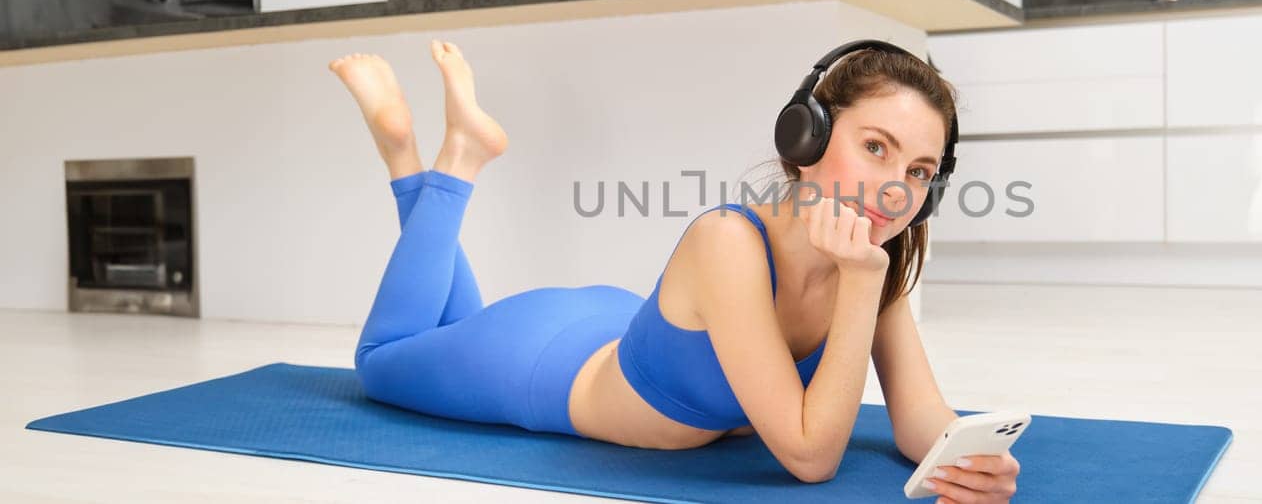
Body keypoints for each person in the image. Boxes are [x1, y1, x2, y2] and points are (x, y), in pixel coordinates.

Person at [328, 39, 1019, 502]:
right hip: (543, 363)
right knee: (383, 360)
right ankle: (438, 158)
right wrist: (863, 284)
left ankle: (430, 150)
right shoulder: (729, 242)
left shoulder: (873, 259)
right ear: (803, 136)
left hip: (613, 324)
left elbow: (916, 415)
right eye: (875, 146)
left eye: (919, 171)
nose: (896, 188)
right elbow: (812, 458)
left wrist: (965, 454)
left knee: (449, 327)